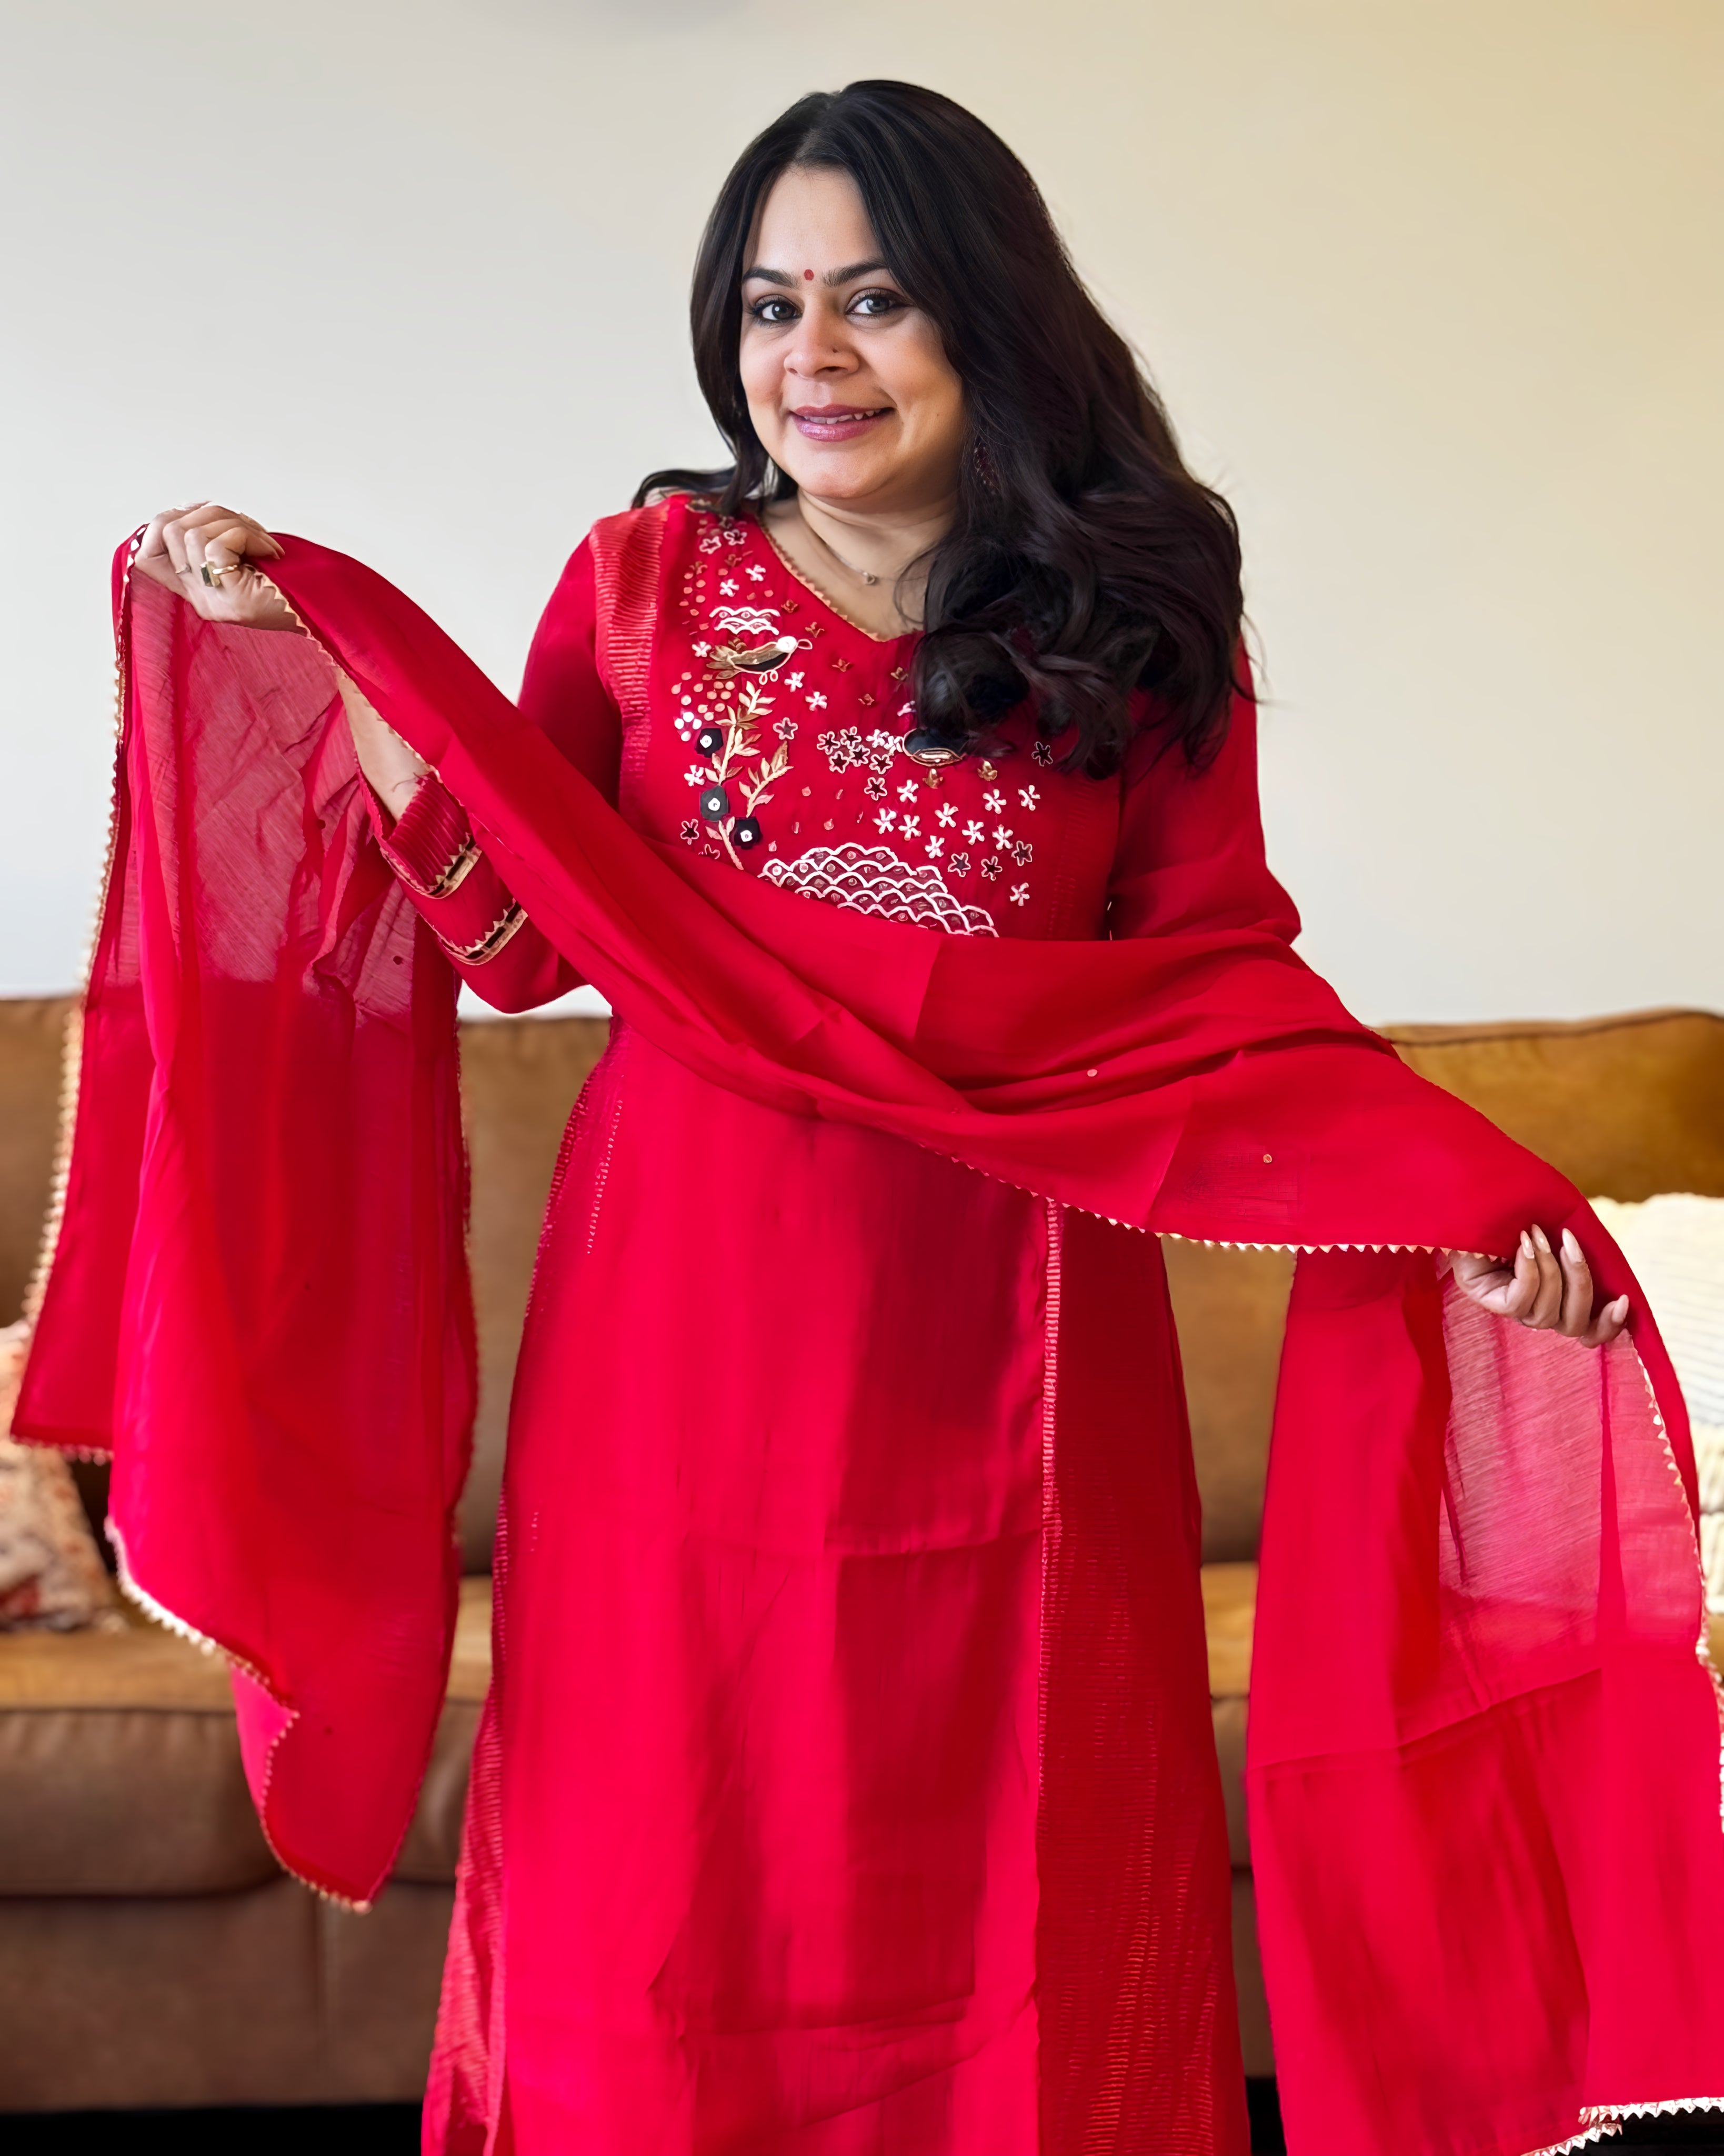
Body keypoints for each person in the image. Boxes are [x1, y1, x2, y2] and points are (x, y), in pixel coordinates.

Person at [19, 80, 1721, 2156]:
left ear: (989, 319)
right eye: (766, 304)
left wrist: (1461, 1209)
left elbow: (1220, 984)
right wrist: (336, 652)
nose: (806, 357)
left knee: (1022, 1851)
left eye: (874, 299)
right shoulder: (642, 584)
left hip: (1012, 1343)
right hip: (679, 1333)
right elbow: (506, 933)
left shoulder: (1137, 610)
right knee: (670, 1852)